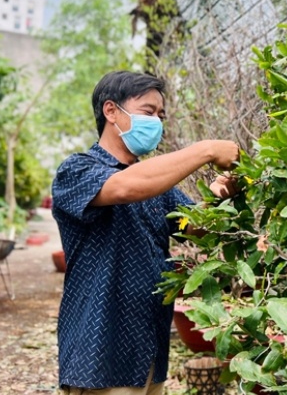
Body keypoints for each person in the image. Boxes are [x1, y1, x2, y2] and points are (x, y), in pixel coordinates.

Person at [51, 71, 240, 395]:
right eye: (148, 112)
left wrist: (220, 197)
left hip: (148, 349)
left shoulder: (158, 187)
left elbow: (194, 226)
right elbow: (125, 188)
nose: (157, 122)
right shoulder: (77, 169)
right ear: (111, 111)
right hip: (100, 355)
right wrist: (206, 150)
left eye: (160, 115)